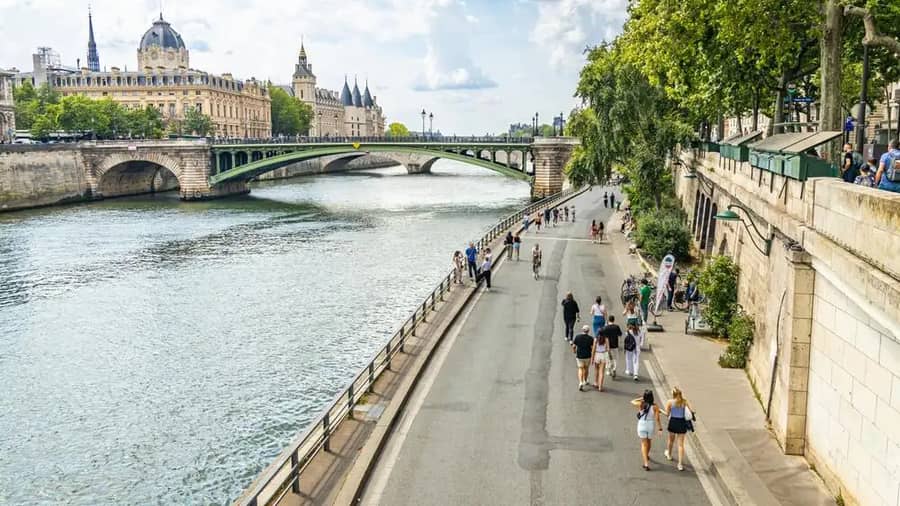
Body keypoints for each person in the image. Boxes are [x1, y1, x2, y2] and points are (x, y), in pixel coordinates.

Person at [631, 390, 663, 470]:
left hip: (642, 424)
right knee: (649, 442)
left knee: (643, 444)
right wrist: (660, 428)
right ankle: (647, 455)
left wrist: (641, 398)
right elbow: (657, 418)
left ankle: (646, 463)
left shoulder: (641, 404)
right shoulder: (655, 406)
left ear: (645, 397)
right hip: (650, 425)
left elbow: (632, 401)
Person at [664, 387, 694, 471]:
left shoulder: (670, 402)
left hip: (673, 422)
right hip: (681, 423)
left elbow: (667, 414)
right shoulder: (684, 402)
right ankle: (680, 464)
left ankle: (669, 454)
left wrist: (660, 411)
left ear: (673, 394)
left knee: (671, 440)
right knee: (681, 444)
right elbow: (691, 411)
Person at [572, 325, 594, 391]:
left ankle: (580, 382)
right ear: (588, 331)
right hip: (587, 356)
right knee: (586, 368)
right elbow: (592, 348)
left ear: (582, 330)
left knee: (580, 368)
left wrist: (574, 351)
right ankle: (585, 380)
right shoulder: (590, 338)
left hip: (579, 356)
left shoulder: (577, 337)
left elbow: (574, 346)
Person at [591, 326, 610, 391]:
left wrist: (592, 359)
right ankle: (600, 386)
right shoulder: (606, 339)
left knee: (596, 369)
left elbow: (593, 349)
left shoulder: (596, 339)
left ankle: (595, 382)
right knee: (602, 372)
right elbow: (608, 349)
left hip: (597, 354)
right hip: (603, 355)